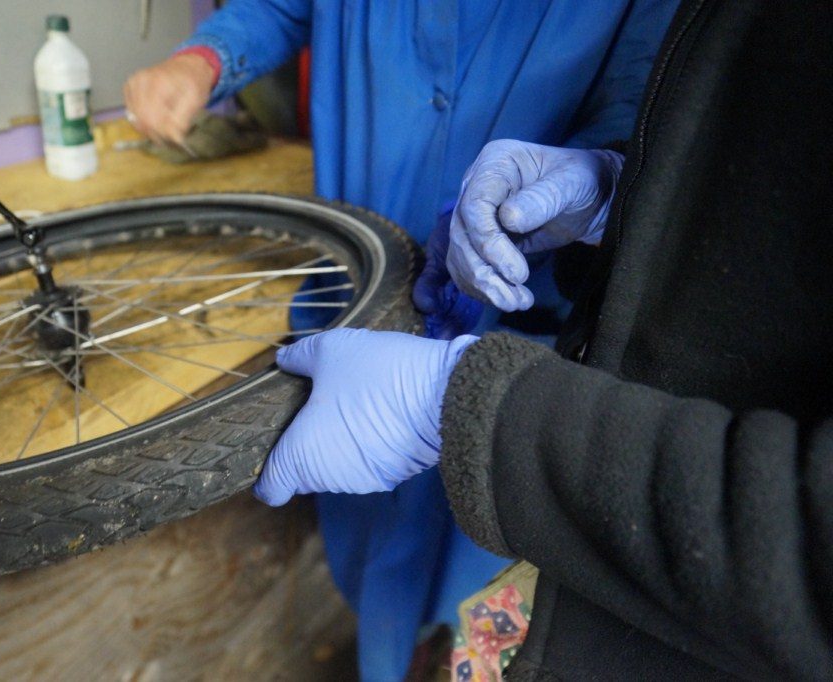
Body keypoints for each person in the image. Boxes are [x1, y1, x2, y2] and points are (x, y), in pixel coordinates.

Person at [254, 0, 833, 678]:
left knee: (460, 587)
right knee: (373, 571)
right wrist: (625, 197)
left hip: (631, 556)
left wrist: (483, 411)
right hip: (574, 460)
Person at [125, 2, 679, 678]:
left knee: (483, 592)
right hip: (355, 304)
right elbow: (280, 6)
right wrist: (204, 58)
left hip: (515, 317)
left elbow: (645, 96)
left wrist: (597, 178)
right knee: (368, 560)